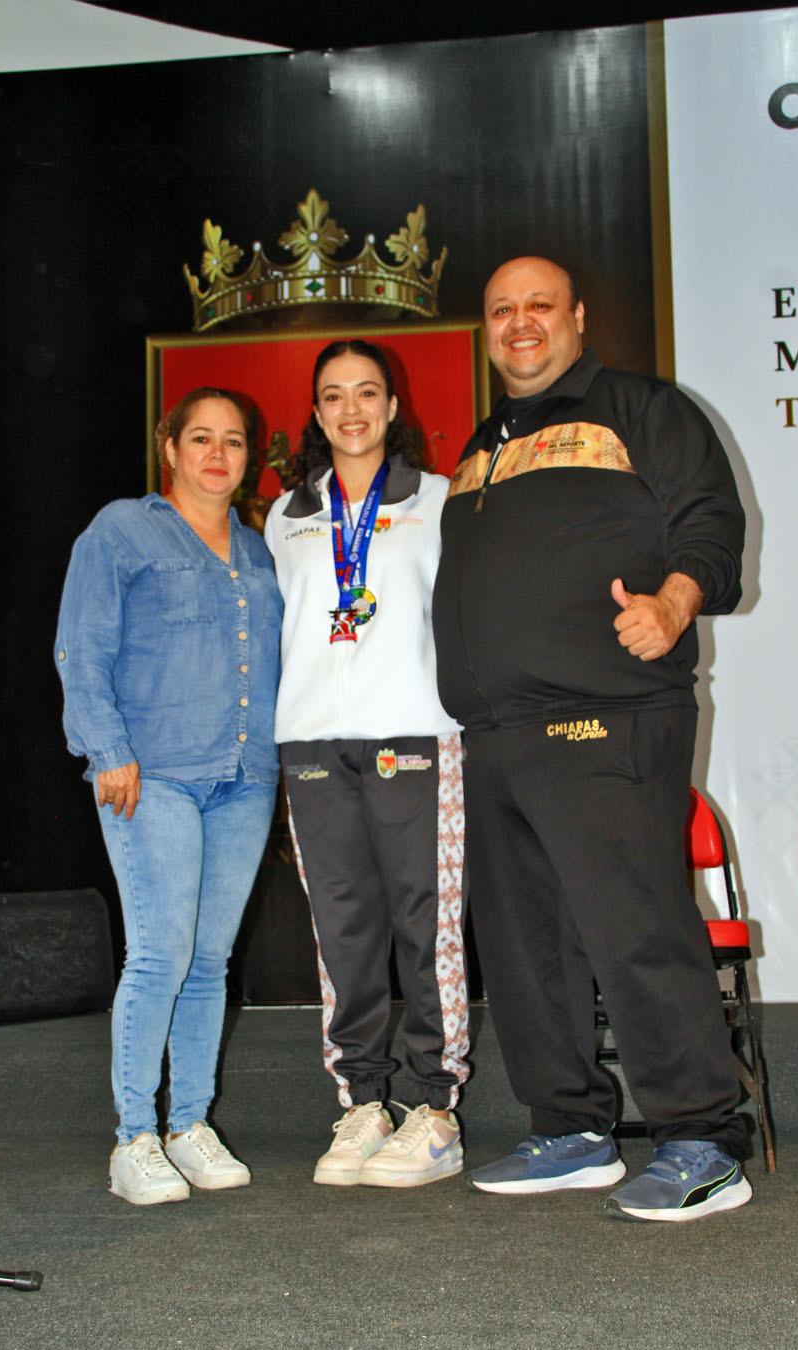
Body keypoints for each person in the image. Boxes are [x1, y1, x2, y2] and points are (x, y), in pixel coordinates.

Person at [432, 256, 750, 1222]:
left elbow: (712, 521)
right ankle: (570, 1129)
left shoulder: (644, 409)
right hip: (495, 732)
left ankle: (703, 1140)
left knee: (636, 925)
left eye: (539, 305)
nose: (520, 323)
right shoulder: (483, 443)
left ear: (577, 314)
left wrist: (674, 603)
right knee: (526, 944)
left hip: (607, 712)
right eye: (501, 310)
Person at [55, 387, 281, 1205]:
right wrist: (107, 750)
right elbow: (81, 647)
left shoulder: (258, 550)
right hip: (151, 774)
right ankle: (134, 1138)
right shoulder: (123, 530)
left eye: (234, 441)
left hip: (245, 778)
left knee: (210, 959)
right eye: (202, 439)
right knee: (160, 954)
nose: (218, 455)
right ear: (171, 447)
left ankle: (189, 1124)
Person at [263, 339, 469, 1188]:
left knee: (425, 922)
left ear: (392, 405)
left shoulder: (440, 500)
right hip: (312, 739)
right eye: (334, 396)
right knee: (342, 925)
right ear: (316, 412)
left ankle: (435, 1108)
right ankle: (361, 1101)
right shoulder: (286, 517)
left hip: (415, 734)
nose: (351, 410)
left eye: (367, 393)